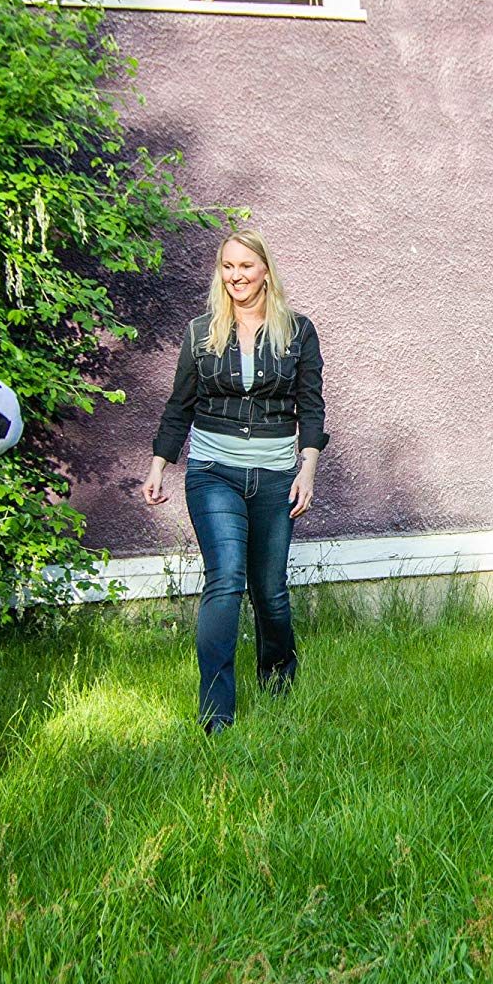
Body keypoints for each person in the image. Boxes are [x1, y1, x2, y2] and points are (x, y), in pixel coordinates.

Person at [142, 230, 327, 733]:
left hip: (275, 475)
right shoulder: (202, 331)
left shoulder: (298, 332)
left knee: (269, 589)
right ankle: (216, 714)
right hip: (212, 471)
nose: (236, 276)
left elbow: (311, 407)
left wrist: (307, 468)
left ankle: (278, 682)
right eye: (227, 267)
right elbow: (179, 404)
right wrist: (161, 462)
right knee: (225, 580)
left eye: (246, 266)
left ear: (266, 269)